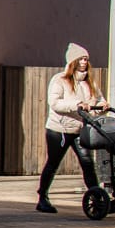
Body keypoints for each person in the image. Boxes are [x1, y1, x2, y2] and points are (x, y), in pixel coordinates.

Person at [37, 42, 106, 213]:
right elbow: (54, 103)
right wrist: (77, 104)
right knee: (53, 163)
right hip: (59, 129)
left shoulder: (89, 82)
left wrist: (102, 104)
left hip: (79, 129)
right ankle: (42, 197)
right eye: (81, 59)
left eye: (86, 59)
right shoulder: (60, 80)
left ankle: (96, 198)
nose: (84, 62)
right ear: (73, 61)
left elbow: (98, 98)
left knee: (88, 162)